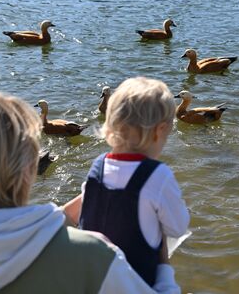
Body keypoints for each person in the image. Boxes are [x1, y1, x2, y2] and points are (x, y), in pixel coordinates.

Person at [0, 92, 180, 294]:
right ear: (28, 169)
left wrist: (89, 196)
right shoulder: (93, 253)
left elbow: (11, 234)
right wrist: (162, 262)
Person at [64, 77, 190, 286]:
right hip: (134, 284)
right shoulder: (158, 175)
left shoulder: (99, 165)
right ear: (160, 131)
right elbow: (177, 228)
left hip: (89, 281)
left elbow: (79, 211)